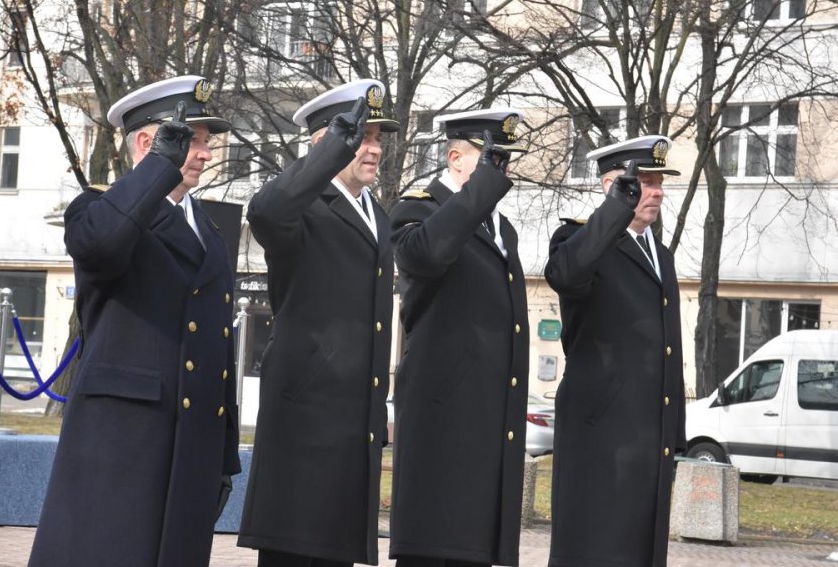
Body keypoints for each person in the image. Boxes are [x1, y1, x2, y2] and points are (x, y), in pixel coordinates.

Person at [29, 75, 240, 567]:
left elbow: (219, 343)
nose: (207, 154)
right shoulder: (98, 208)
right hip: (124, 440)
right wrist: (158, 170)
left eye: (208, 141)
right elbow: (100, 246)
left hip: (191, 440)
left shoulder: (208, 228)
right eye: (194, 140)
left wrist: (225, 451)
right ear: (150, 142)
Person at [237, 79, 398, 567]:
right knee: (295, 552)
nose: (372, 148)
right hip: (306, 418)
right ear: (322, 142)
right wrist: (329, 154)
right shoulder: (302, 205)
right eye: (360, 137)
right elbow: (264, 211)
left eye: (376, 138)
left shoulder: (377, 214)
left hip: (353, 418)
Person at [388, 109, 531, 567]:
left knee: (475, 548)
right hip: (442, 416)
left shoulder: (499, 227)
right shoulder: (418, 207)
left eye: (504, 161)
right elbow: (426, 254)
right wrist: (484, 188)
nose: (500, 171)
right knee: (437, 546)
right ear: (454, 157)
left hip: (489, 415)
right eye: (491, 159)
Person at [544, 135, 686, 567]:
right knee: (594, 550)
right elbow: (566, 275)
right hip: (601, 433)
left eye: (660, 181)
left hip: (649, 434)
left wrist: (674, 429)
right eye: (644, 180)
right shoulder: (579, 240)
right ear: (613, 186)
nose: (657, 190)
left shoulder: (659, 254)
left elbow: (667, 347)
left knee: (640, 551)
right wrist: (612, 213)